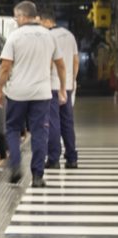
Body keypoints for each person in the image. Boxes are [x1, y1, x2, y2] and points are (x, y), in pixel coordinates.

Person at [0, 1, 66, 187]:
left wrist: (0, 90)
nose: (16, 20)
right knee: (39, 133)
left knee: (13, 129)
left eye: (16, 17)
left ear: (22, 16)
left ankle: (15, 165)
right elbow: (60, 65)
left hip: (17, 93)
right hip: (41, 94)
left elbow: (5, 67)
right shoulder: (49, 36)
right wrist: (62, 88)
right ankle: (37, 176)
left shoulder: (15, 36)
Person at [40, 9, 79, 169]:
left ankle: (54, 159)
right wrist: (72, 80)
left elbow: (49, 62)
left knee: (53, 122)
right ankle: (72, 158)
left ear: (47, 21)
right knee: (68, 122)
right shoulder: (70, 36)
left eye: (40, 23)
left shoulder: (48, 36)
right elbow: (75, 61)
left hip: (52, 86)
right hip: (67, 85)